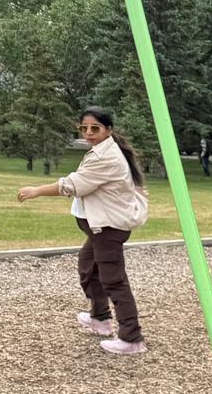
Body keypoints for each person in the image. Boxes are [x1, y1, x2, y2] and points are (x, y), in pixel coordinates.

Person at [17, 106, 149, 355]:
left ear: (108, 130)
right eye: (84, 128)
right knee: (88, 267)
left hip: (107, 228)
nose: (88, 133)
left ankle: (132, 338)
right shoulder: (103, 150)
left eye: (95, 128)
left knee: (114, 279)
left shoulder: (105, 157)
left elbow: (74, 185)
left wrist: (37, 190)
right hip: (100, 227)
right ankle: (100, 319)